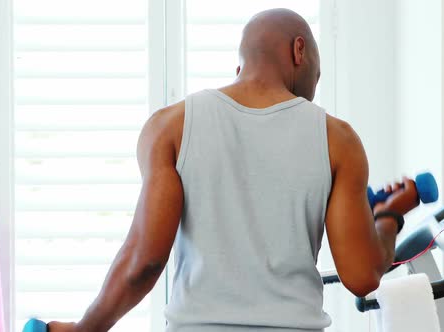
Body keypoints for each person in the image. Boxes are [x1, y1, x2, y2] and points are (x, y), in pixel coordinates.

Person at [48, 8, 420, 332]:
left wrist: (84, 329)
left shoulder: (170, 127)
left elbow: (143, 262)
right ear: (298, 50)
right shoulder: (338, 139)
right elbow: (361, 276)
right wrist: (387, 218)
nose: (312, 92)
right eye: (317, 76)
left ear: (240, 67)